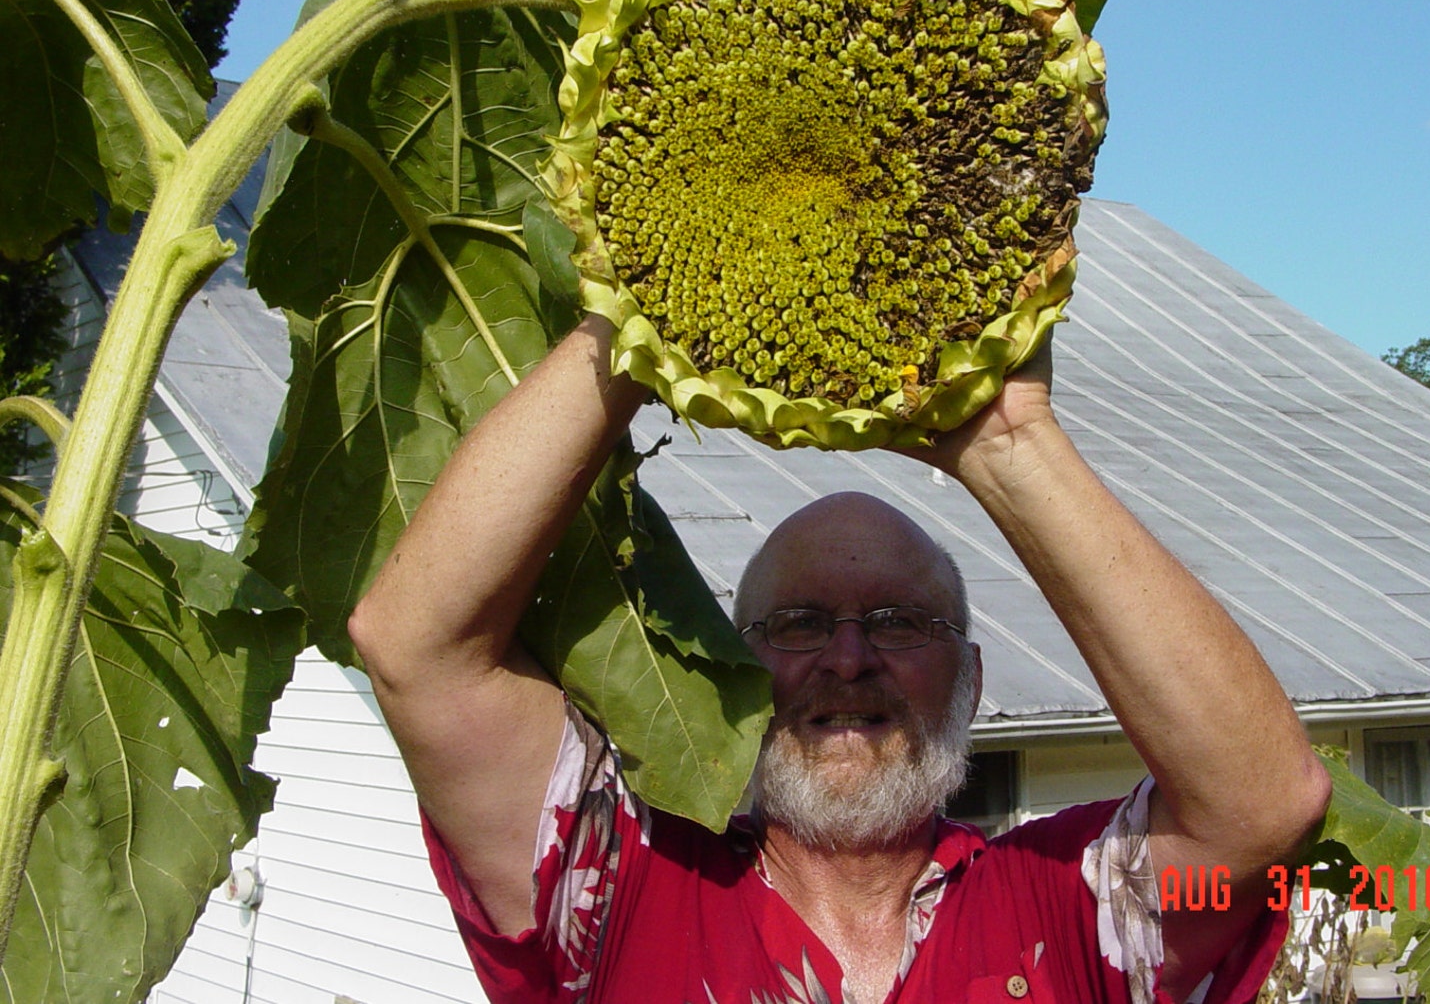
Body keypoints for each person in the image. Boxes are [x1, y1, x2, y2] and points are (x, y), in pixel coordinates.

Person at [348, 316, 1331, 1004]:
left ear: (973, 681)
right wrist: (633, 324)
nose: (849, 658)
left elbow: (1260, 806)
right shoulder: (620, 892)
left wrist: (1008, 445)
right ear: (743, 667)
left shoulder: (1064, 904)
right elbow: (416, 648)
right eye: (800, 622)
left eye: (900, 621)